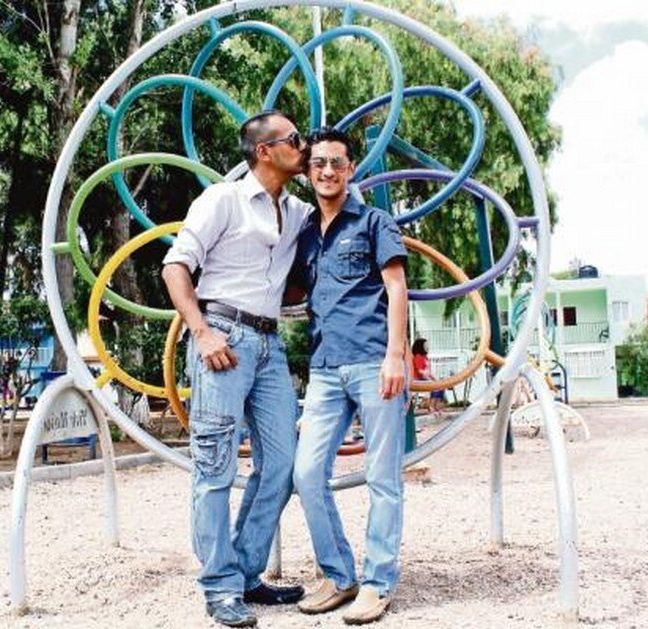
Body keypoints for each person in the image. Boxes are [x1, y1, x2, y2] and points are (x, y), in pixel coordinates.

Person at [161, 110, 313, 628]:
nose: (305, 144)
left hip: (270, 344)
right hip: (222, 337)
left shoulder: (295, 211)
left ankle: (244, 574)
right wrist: (201, 333)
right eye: (295, 138)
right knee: (214, 467)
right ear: (264, 151)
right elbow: (175, 266)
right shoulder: (222, 199)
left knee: (283, 463)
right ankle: (219, 586)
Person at [290, 127, 410, 625]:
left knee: (383, 478)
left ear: (350, 169)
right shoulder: (305, 233)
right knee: (306, 474)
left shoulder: (374, 221)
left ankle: (378, 583)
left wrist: (396, 356)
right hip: (323, 369)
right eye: (318, 163)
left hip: (372, 362)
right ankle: (339, 575)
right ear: (308, 170)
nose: (327, 171)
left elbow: (397, 286)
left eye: (336, 162)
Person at [411, 338, 444, 417]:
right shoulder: (418, 357)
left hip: (426, 378)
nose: (428, 347)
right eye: (426, 345)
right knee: (435, 386)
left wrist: (435, 379)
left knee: (442, 386)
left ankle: (437, 406)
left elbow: (428, 372)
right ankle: (431, 406)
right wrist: (430, 379)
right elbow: (420, 371)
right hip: (418, 379)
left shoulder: (425, 357)